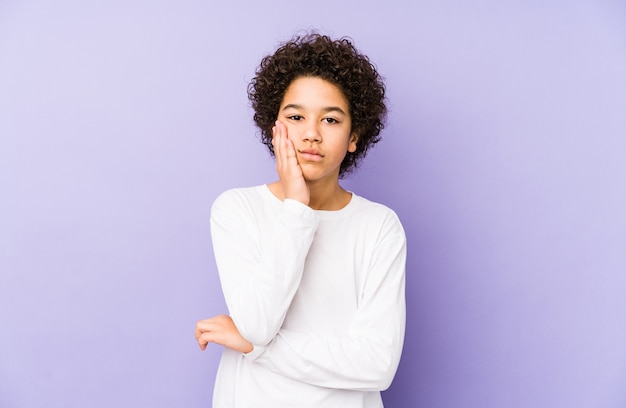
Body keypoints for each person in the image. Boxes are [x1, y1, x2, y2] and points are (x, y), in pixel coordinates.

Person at [195, 32, 406, 408]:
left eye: (330, 119)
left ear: (354, 135)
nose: (311, 134)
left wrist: (255, 349)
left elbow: (378, 365)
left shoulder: (378, 226)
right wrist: (296, 206)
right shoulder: (236, 209)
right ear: (274, 127)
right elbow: (259, 323)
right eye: (295, 117)